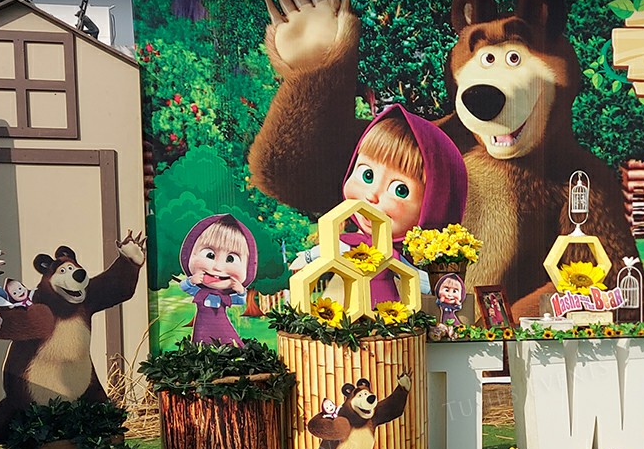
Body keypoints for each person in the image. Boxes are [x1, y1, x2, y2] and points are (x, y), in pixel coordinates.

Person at [290, 105, 469, 304]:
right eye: (367, 175)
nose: (372, 195)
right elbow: (330, 251)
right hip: (343, 309)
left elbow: (412, 275)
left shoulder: (393, 256)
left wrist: (441, 287)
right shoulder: (350, 244)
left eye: (400, 190)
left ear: (433, 207)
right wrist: (308, 257)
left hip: (388, 311)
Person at [179, 214, 258, 346]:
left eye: (231, 259)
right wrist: (192, 281)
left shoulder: (224, 297)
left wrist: (241, 291)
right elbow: (185, 287)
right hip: (202, 324)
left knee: (229, 340)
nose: (218, 267)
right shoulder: (200, 293)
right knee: (201, 341)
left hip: (221, 324)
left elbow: (239, 301)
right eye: (210, 255)